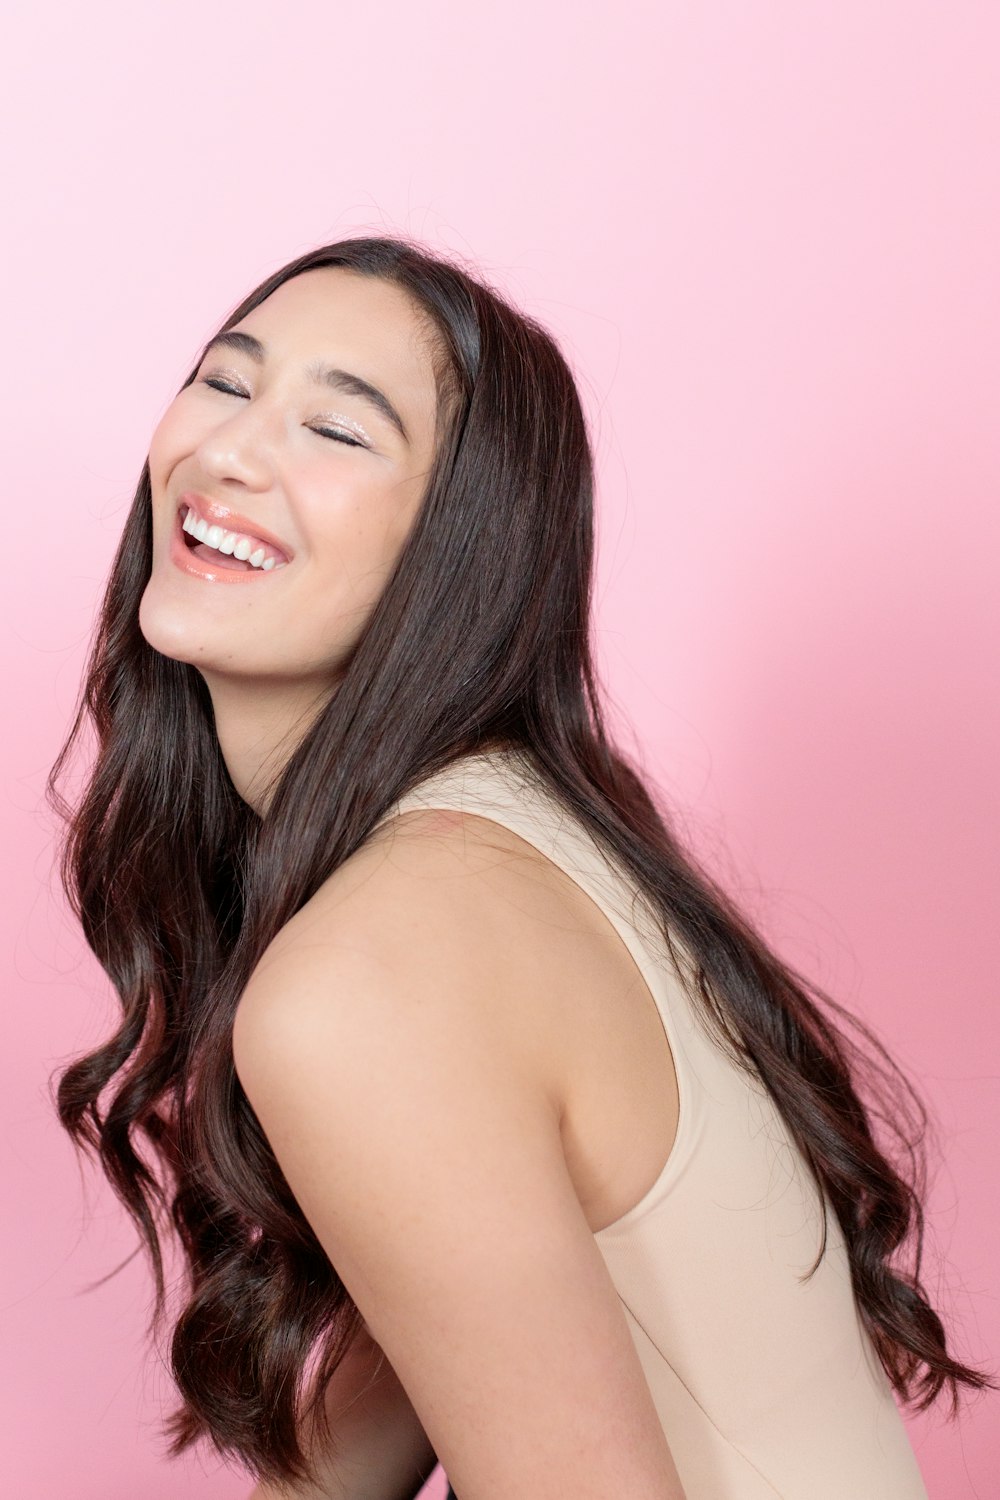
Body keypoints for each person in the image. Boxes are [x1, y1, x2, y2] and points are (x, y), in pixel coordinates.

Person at [47, 234, 993, 1500]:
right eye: (225, 383)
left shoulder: (372, 969)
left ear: (458, 550)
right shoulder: (497, 836)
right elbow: (405, 1390)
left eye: (338, 431)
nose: (226, 452)